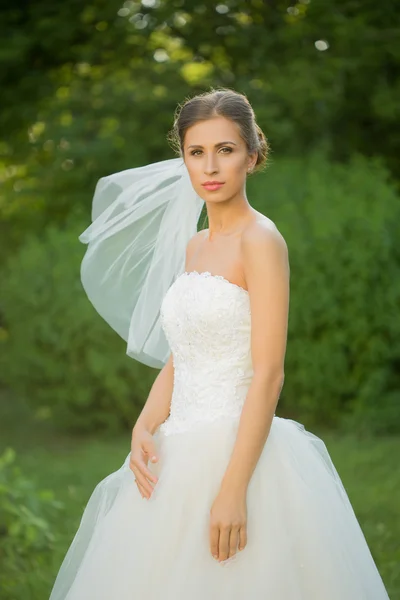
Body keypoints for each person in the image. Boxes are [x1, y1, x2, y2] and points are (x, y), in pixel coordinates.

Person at [49, 88, 390, 599]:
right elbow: (184, 350)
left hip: (239, 451)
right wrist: (145, 421)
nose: (210, 166)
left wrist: (232, 490)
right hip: (176, 448)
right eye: (196, 152)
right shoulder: (196, 244)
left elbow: (269, 372)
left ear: (252, 156)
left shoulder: (262, 240)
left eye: (225, 150)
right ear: (183, 158)